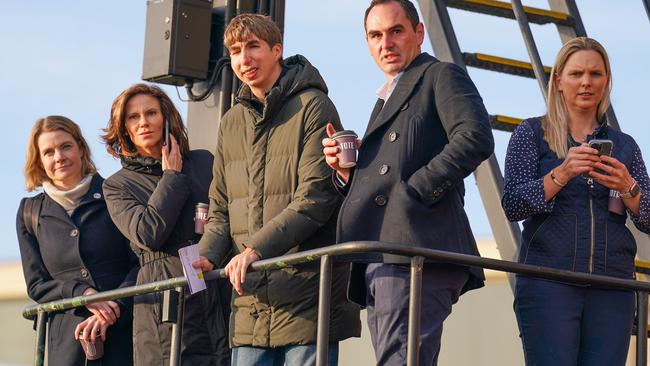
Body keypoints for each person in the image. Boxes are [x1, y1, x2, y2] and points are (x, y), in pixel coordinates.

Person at [322, 1, 494, 365]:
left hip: (413, 245)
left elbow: (475, 136)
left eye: (396, 31)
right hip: (383, 251)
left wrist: (413, 191)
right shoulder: (386, 98)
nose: (386, 43)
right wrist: (345, 174)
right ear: (367, 43)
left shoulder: (440, 75)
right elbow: (387, 171)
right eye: (376, 35)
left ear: (418, 33)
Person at [193, 13, 360, 366]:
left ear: (277, 50)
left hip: (307, 299)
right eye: (236, 51)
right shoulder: (231, 122)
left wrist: (254, 250)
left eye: (253, 46)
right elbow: (221, 206)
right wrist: (206, 255)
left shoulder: (313, 106)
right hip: (249, 301)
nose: (244, 59)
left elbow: (316, 198)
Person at [502, 37, 650, 366]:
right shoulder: (530, 134)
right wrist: (562, 173)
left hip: (612, 285)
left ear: (607, 81)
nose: (586, 82)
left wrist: (629, 188)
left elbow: (648, 218)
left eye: (595, 74)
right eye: (576, 73)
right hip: (548, 282)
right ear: (558, 80)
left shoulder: (625, 146)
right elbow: (513, 204)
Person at [101, 84, 230, 366]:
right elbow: (149, 233)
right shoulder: (117, 186)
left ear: (167, 118)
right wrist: (171, 175)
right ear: (124, 129)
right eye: (133, 117)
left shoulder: (203, 161)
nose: (143, 122)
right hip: (163, 304)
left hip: (216, 290)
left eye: (151, 113)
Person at [16, 116, 138, 366]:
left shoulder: (115, 194)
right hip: (67, 347)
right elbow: (37, 285)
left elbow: (140, 264)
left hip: (124, 339)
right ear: (39, 161)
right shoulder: (29, 212)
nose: (59, 156)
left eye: (65, 146)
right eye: (48, 152)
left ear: (81, 148)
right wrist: (82, 293)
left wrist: (114, 307)